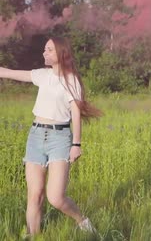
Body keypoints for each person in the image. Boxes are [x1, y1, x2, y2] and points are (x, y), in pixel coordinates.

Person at [0, 37, 102, 236]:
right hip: (36, 136)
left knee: (55, 198)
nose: (44, 53)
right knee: (34, 195)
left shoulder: (72, 80)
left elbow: (76, 113)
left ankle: (82, 222)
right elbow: (8, 73)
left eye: (49, 50)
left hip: (60, 139)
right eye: (44, 49)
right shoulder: (42, 75)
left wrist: (76, 144)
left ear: (60, 53)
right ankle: (33, 236)